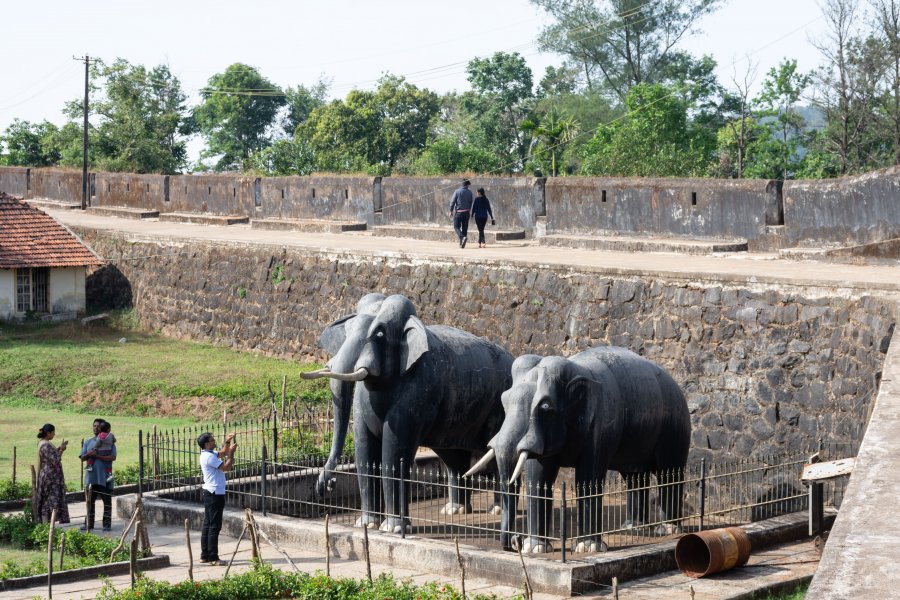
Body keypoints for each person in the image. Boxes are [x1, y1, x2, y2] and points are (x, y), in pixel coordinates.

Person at [197, 432, 237, 565]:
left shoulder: (207, 454)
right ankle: (213, 558)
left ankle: (205, 555)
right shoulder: (210, 458)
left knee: (208, 524)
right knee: (214, 526)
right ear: (207, 444)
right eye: (213, 441)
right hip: (215, 493)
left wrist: (228, 442)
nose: (215, 442)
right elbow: (226, 467)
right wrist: (232, 455)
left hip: (210, 492)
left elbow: (223, 452)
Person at [79, 418, 116, 531]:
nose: (96, 428)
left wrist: (98, 456)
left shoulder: (109, 441)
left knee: (107, 502)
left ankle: (106, 525)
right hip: (91, 478)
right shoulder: (88, 442)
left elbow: (113, 457)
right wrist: (90, 453)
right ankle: (89, 524)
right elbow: (82, 457)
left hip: (105, 477)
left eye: (98, 426)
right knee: (90, 502)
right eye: (94, 426)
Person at [36, 424, 70, 524]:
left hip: (47, 475)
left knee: (48, 499)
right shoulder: (46, 445)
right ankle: (47, 525)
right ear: (48, 433)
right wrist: (62, 450)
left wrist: (59, 448)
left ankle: (47, 525)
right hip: (50, 476)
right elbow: (56, 460)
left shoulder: (42, 443)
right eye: (53, 432)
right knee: (50, 501)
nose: (54, 434)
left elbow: (52, 454)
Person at [86, 421, 116, 485]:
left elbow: (98, 443)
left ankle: (89, 465)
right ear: (108, 429)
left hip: (100, 452)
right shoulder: (111, 435)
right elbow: (114, 440)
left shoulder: (100, 436)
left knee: (92, 456)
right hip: (108, 451)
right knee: (108, 463)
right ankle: (109, 474)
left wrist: (95, 448)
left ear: (100, 429)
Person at [448, 179, 474, 248]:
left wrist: (451, 210)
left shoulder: (457, 191)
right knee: (465, 228)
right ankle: (462, 244)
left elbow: (452, 202)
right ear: (467, 185)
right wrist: (469, 210)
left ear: (462, 184)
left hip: (459, 213)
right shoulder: (470, 192)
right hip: (467, 212)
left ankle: (462, 238)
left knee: (456, 227)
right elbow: (471, 202)